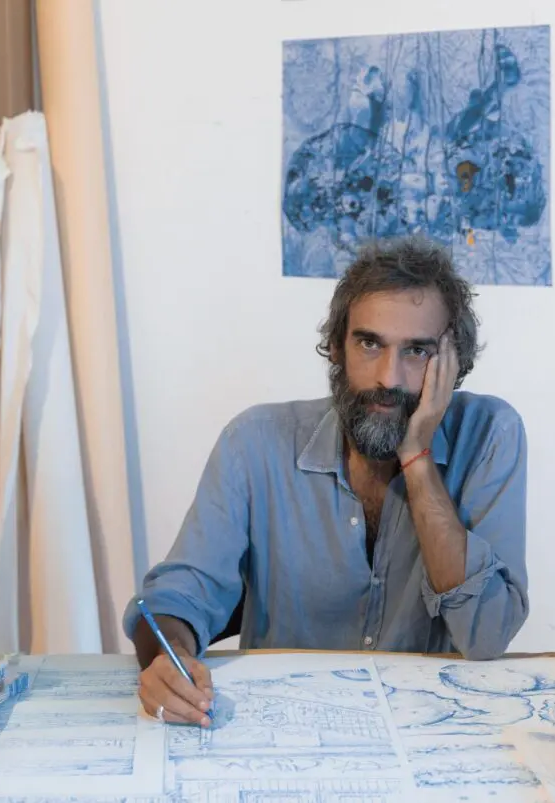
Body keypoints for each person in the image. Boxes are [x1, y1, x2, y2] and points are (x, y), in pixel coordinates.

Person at [123, 235, 529, 727]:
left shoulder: (491, 435)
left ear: (453, 362)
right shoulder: (254, 443)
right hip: (282, 729)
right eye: (369, 343)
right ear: (336, 347)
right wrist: (166, 661)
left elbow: (486, 636)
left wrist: (418, 456)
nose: (389, 377)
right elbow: (178, 596)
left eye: (417, 351)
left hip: (430, 729)